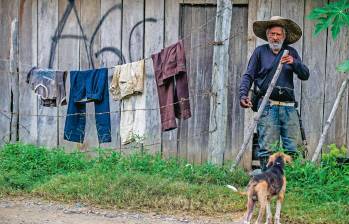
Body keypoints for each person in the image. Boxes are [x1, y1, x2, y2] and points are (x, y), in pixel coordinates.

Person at [239, 16, 310, 171]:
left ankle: (293, 182)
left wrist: (294, 62)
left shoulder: (291, 52)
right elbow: (248, 75)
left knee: (293, 148)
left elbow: (305, 75)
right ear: (267, 35)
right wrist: (243, 95)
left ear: (284, 36)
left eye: (278, 34)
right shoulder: (260, 52)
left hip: (289, 108)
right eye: (272, 34)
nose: (275, 37)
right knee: (267, 149)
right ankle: (268, 179)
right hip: (267, 106)